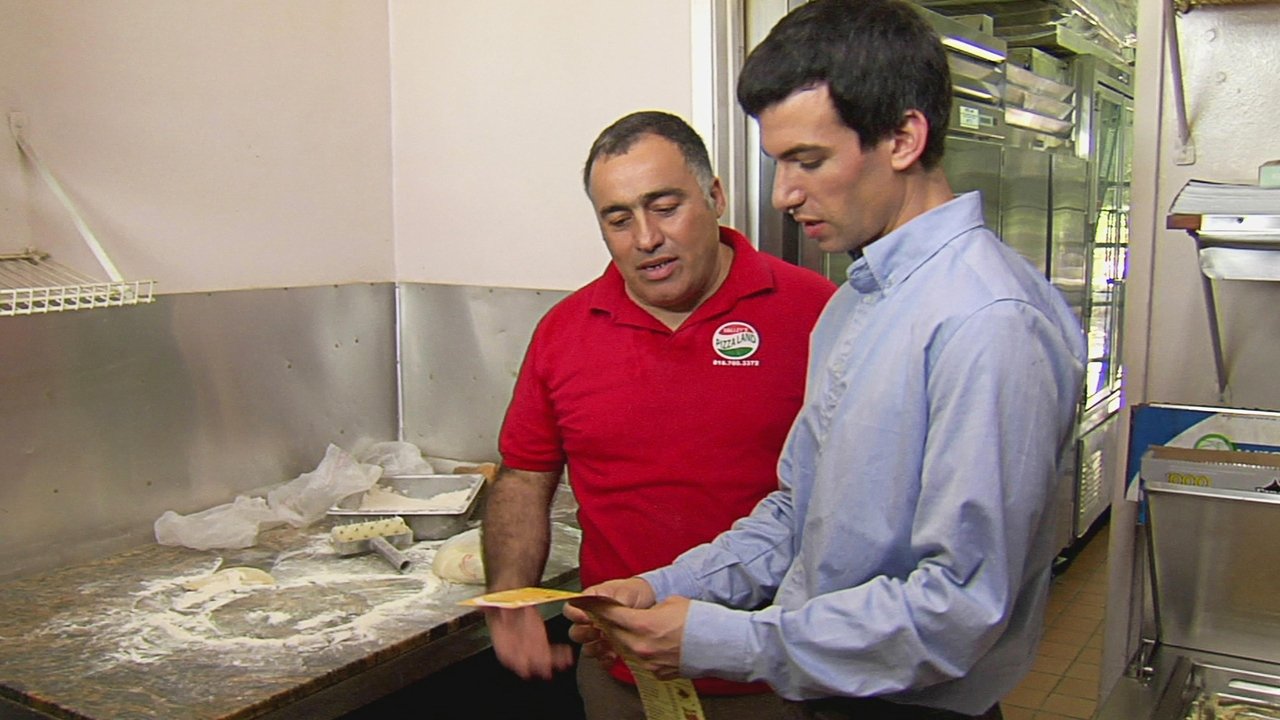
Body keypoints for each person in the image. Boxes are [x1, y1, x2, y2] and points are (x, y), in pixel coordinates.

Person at [564, 2, 1088, 719]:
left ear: (903, 137)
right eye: (779, 162)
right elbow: (798, 514)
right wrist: (666, 586)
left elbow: (956, 610)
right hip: (826, 698)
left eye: (808, 161)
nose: (783, 194)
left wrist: (726, 640)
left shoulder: (988, 322)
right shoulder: (855, 304)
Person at [483, 110, 836, 719]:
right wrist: (509, 601)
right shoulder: (564, 332)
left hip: (778, 678)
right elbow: (524, 476)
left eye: (665, 207)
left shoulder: (817, 311)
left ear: (715, 196)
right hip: (624, 677)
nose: (645, 238)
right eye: (618, 219)